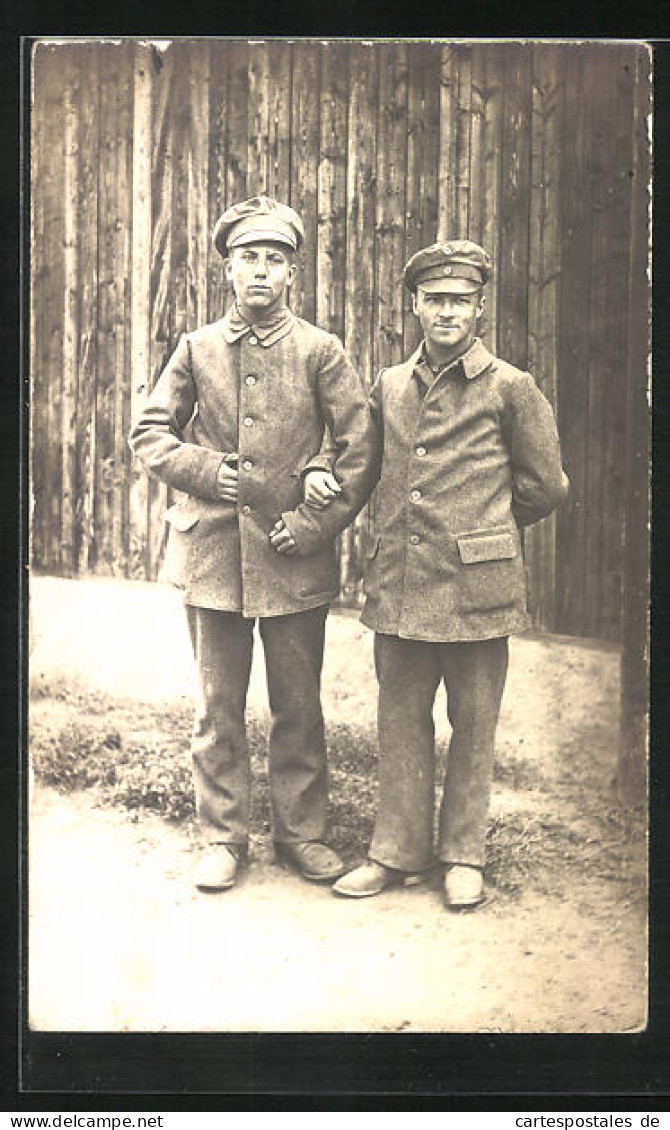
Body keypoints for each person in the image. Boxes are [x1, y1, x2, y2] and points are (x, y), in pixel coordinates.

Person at [308, 239, 569, 910]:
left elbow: (545, 486)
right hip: (400, 586)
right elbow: (355, 461)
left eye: (459, 300)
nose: (446, 312)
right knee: (400, 721)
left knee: (474, 722)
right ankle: (396, 852)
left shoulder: (512, 387)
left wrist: (484, 535)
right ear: (416, 305)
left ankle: (463, 855)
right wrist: (317, 471)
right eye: (434, 300)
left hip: (477, 591)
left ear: (479, 308)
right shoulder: (391, 385)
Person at [129, 195, 376, 892]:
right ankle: (222, 837)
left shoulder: (321, 351)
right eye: (248, 259)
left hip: (293, 555)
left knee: (299, 703)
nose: (260, 272)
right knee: (217, 705)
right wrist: (209, 473)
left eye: (274, 260)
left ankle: (302, 835)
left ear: (294, 272)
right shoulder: (196, 348)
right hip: (212, 555)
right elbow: (150, 434)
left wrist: (312, 523)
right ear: (228, 269)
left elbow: (359, 448)